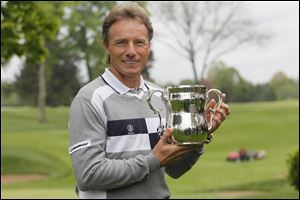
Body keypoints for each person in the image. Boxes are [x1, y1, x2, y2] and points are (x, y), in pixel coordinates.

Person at [68, 2, 231, 199]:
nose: (131, 51)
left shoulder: (160, 97)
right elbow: (89, 174)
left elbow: (174, 169)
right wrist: (152, 160)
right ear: (106, 46)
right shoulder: (89, 99)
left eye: (139, 42)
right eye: (121, 42)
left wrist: (198, 136)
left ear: (149, 46)